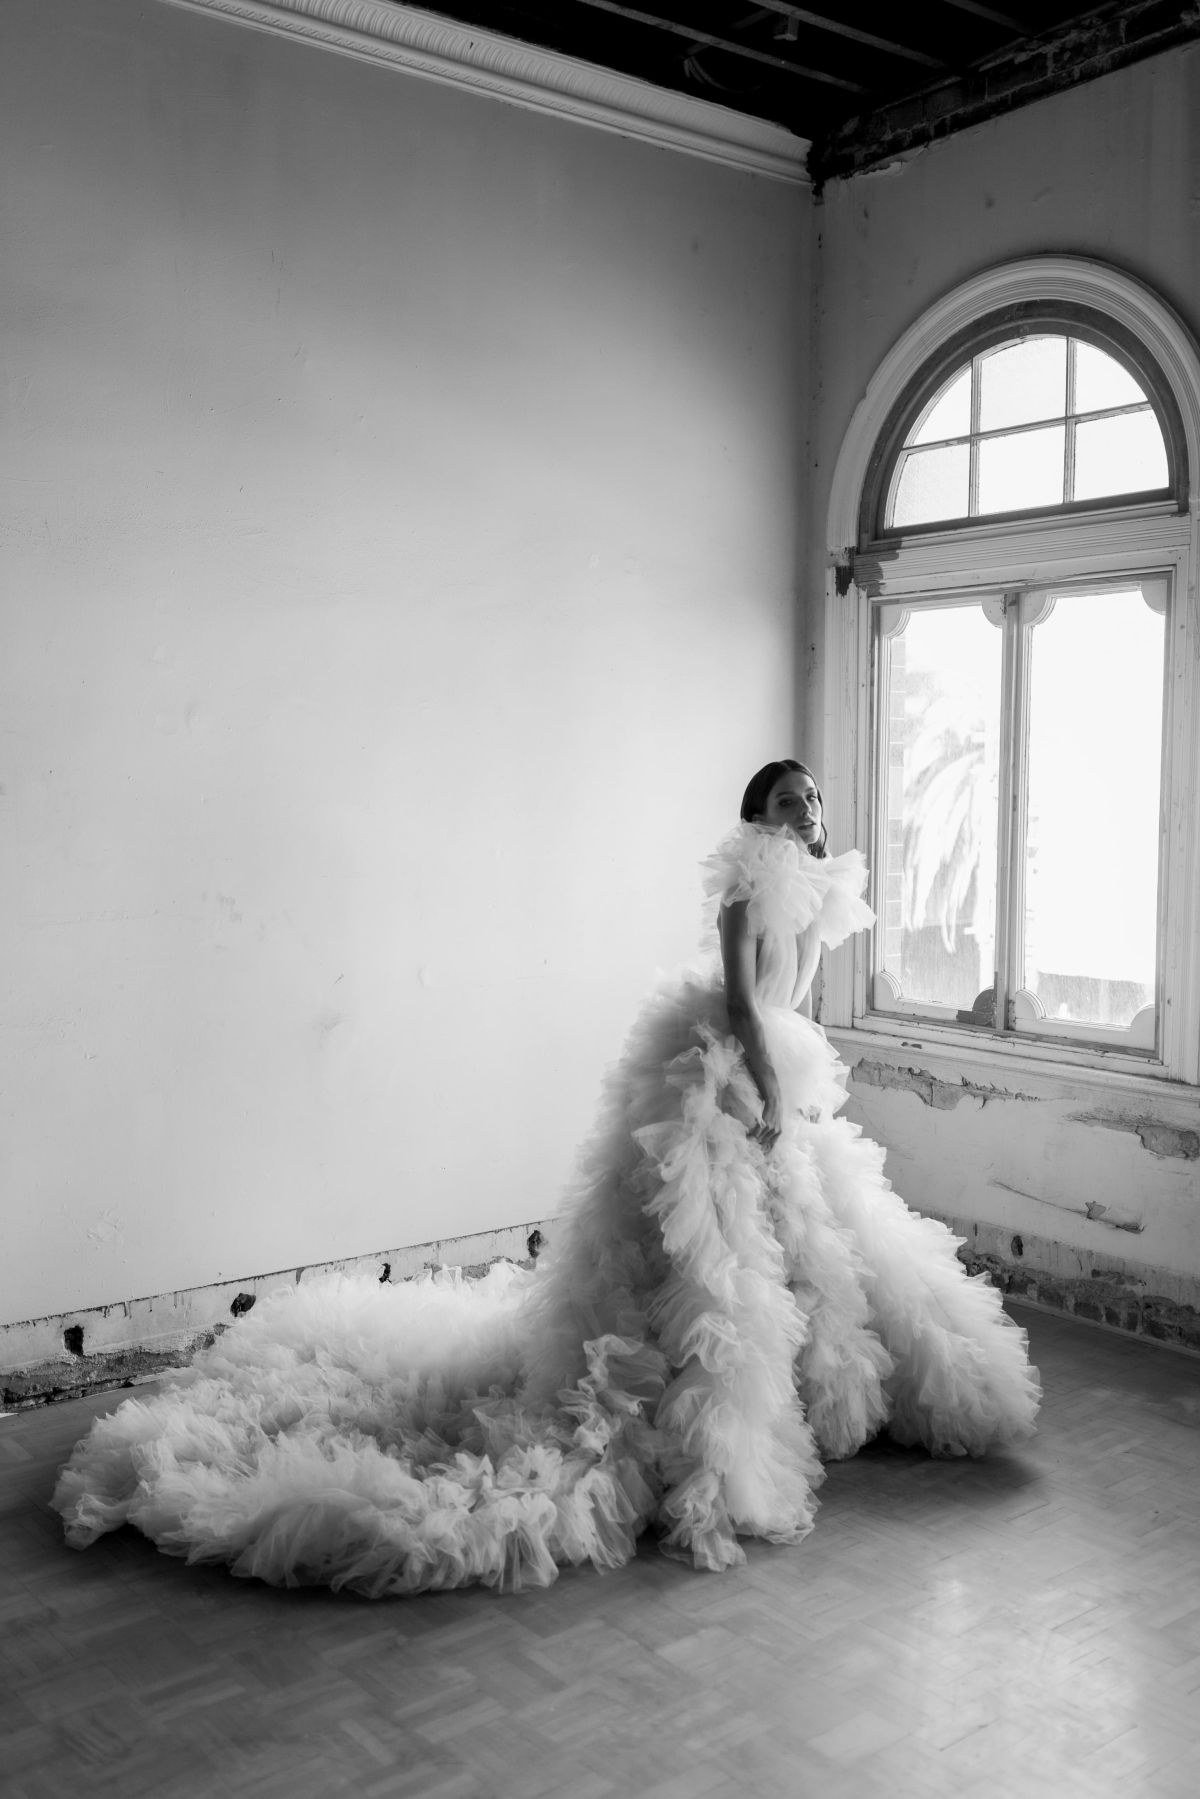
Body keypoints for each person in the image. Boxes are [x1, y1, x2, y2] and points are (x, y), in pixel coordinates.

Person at [52, 760, 1040, 1595]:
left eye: (812, 796)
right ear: (758, 818)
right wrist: (772, 1090)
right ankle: (699, 1425)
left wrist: (794, 1077)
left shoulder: (819, 888)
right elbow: (745, 1005)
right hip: (725, 1072)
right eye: (788, 800)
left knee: (812, 1238)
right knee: (713, 1262)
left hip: (775, 1066)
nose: (808, 808)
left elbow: (791, 1001)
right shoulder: (746, 888)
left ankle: (832, 1401)